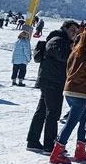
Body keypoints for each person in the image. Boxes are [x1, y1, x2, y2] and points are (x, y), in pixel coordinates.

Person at [49, 30, 86, 164]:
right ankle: (57, 152)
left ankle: (80, 150)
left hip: (69, 91)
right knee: (71, 122)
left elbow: (68, 70)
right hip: (81, 93)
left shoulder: (75, 52)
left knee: (83, 118)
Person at [26, 20, 79, 154]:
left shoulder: (62, 40)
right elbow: (60, 55)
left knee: (43, 111)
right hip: (52, 81)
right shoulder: (57, 39)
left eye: (76, 31)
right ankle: (49, 145)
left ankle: (33, 141)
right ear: (65, 28)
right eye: (72, 30)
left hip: (51, 80)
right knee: (53, 113)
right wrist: (73, 51)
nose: (74, 33)